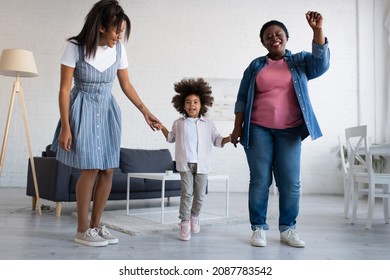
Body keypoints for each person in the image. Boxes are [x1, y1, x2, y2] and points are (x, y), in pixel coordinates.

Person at [51, 0, 160, 247]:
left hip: (108, 111)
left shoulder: (119, 50)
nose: (119, 36)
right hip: (82, 108)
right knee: (90, 168)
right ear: (101, 27)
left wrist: (146, 112)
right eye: (116, 30)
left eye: (122, 31)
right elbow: (64, 88)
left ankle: (96, 226)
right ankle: (81, 229)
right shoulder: (74, 48)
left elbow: (126, 85)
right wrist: (66, 126)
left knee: (108, 169)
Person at [230, 11, 330, 248]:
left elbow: (321, 64)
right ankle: (258, 228)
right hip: (257, 130)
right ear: (263, 42)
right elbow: (242, 98)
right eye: (268, 36)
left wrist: (317, 30)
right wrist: (236, 128)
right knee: (260, 180)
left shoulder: (300, 61)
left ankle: (288, 228)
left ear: (286, 37)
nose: (273, 38)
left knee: (290, 182)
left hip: (290, 131)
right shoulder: (255, 65)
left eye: (278, 34)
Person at [156, 78, 231, 241]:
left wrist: (228, 139)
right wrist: (161, 127)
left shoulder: (208, 123)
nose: (192, 105)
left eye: (195, 102)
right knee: (187, 193)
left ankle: (194, 216)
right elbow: (170, 138)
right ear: (183, 105)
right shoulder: (179, 123)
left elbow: (217, 140)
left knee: (199, 194)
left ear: (202, 104)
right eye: (188, 102)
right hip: (184, 164)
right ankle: (184, 223)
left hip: (203, 164)